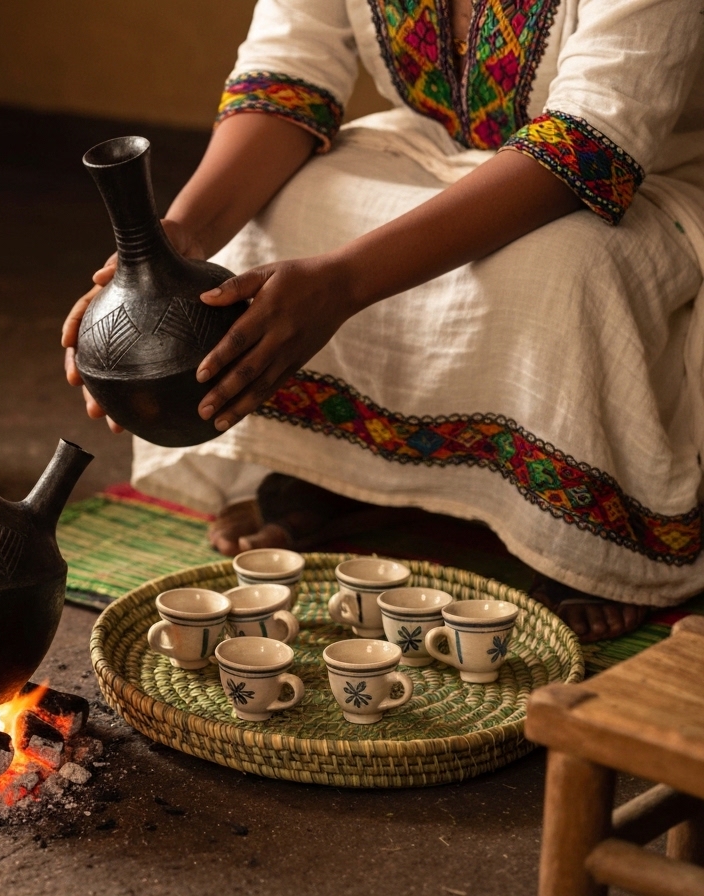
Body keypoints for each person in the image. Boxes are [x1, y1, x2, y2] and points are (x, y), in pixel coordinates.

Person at [63, 0, 704, 642]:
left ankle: (586, 536)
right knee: (271, 223)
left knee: (561, 267)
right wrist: (173, 249)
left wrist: (342, 283)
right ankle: (346, 475)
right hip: (433, 151)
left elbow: (591, 141)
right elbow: (285, 75)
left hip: (648, 172)